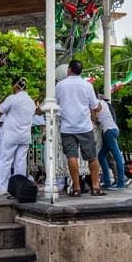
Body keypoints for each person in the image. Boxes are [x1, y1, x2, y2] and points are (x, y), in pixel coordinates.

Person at [54, 59, 103, 196]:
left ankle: (76, 188)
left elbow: (55, 104)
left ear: (69, 69)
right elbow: (95, 106)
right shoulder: (87, 85)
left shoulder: (60, 86)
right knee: (92, 157)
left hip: (67, 127)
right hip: (85, 127)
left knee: (72, 157)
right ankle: (95, 186)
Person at [0, 78, 36, 195]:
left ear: (16, 86)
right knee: (20, 163)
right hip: (25, 135)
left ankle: (3, 187)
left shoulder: (12, 98)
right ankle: (18, 188)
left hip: (11, 135)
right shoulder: (31, 101)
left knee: (5, 161)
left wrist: (1, 102)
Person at [96, 97, 127, 189]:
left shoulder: (95, 103)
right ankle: (107, 182)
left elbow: (94, 118)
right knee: (101, 156)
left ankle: (121, 183)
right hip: (112, 129)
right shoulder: (103, 103)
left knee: (117, 156)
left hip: (109, 131)